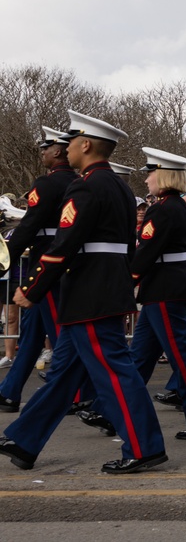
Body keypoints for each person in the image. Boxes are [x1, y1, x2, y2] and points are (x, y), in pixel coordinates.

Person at [1, 111, 167, 474]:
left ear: (86, 144)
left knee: (114, 372)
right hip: (101, 289)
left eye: (71, 142)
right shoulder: (118, 186)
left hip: (91, 292)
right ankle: (25, 439)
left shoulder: (86, 185)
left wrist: (32, 287)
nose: (67, 149)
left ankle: (144, 446)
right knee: (64, 375)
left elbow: (64, 244)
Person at [125, 147, 186, 439]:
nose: (147, 181)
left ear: (164, 175)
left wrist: (125, 279)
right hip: (167, 286)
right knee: (140, 356)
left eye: (151, 173)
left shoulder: (163, 208)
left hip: (164, 288)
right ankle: (113, 411)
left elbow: (147, 251)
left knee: (183, 357)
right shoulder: (178, 207)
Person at [0, 128, 77, 413]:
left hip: (47, 265)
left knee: (59, 332)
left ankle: (79, 393)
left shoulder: (46, 184)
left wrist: (5, 258)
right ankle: (9, 392)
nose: (41, 152)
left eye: (45, 148)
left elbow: (30, 226)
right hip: (56, 262)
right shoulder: (78, 181)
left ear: (57, 151)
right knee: (32, 334)